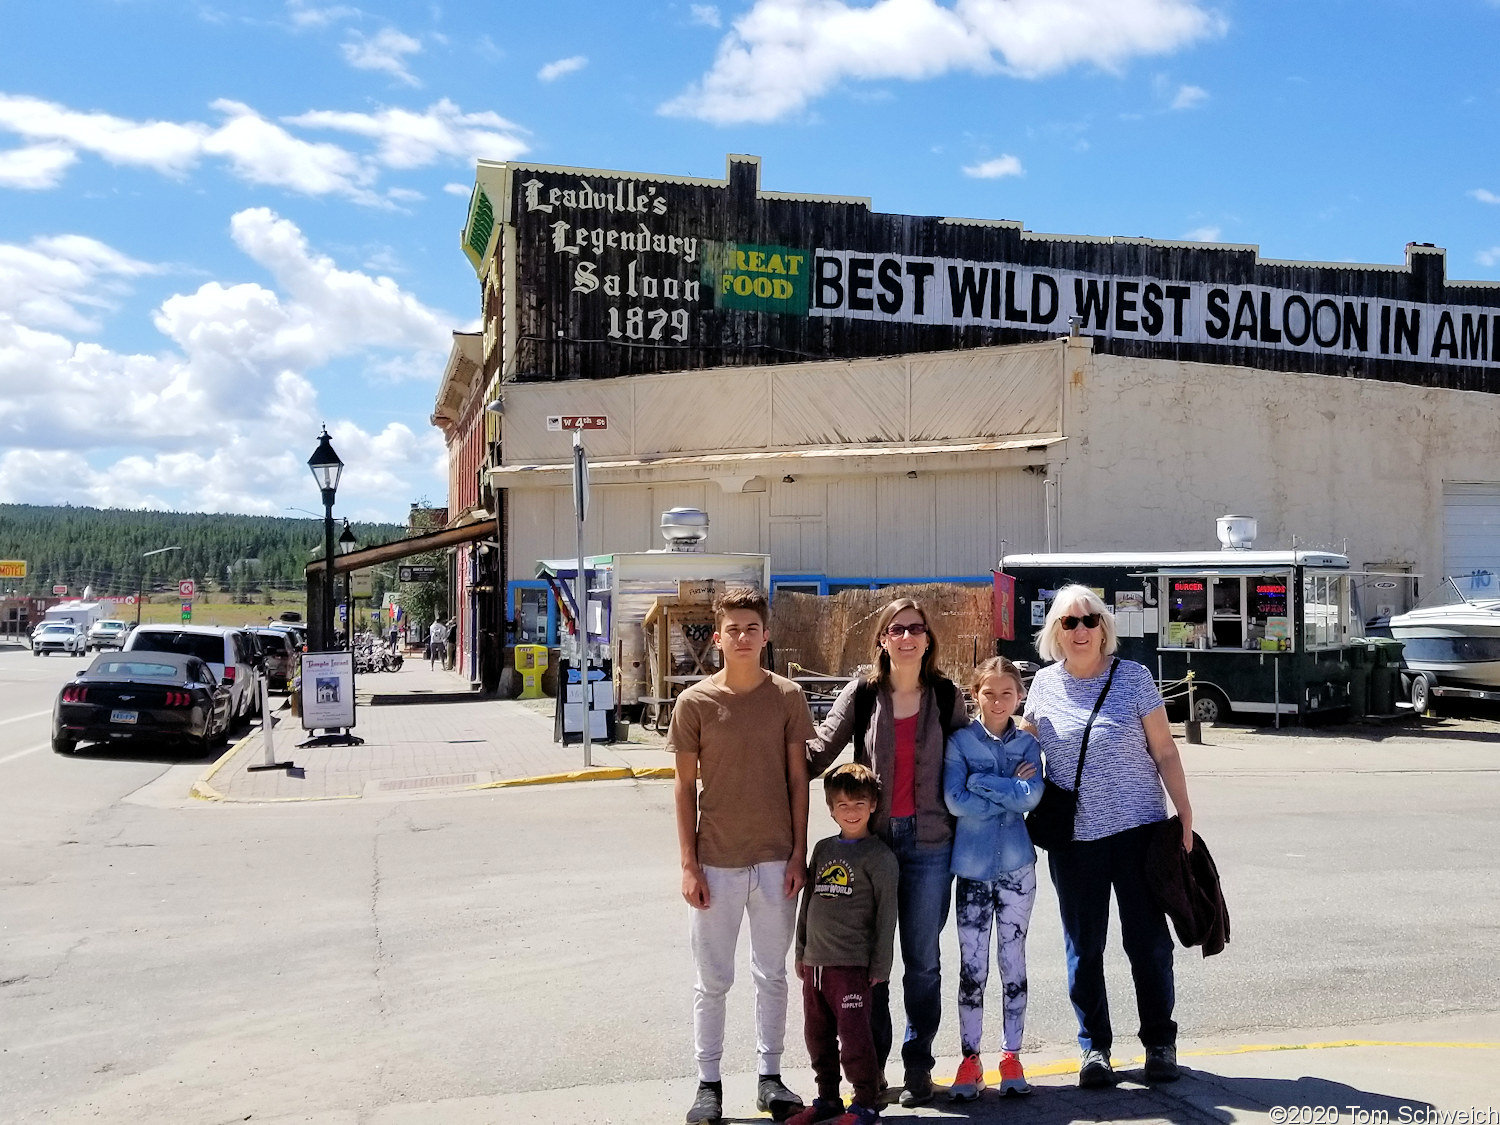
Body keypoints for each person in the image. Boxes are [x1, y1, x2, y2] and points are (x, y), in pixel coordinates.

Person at [1020, 584, 1196, 1088]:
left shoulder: (1134, 679)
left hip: (1140, 832)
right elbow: (1026, 759)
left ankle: (1160, 1042)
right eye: (1068, 623)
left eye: (1089, 620)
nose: (1080, 631)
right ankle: (1094, 1047)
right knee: (1084, 946)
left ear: (1104, 627)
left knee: (1148, 944)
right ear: (1055, 632)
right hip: (1075, 841)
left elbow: (1164, 751)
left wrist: (1183, 813)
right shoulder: (1044, 687)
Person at [806, 598, 968, 1107]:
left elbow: (972, 760)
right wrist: (765, 737)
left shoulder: (946, 695)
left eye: (915, 629)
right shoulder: (862, 693)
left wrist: (1019, 742)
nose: (906, 637)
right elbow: (820, 750)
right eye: (896, 629)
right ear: (882, 638)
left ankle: (918, 1064)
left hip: (929, 844)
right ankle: (870, 1072)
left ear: (927, 639)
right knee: (868, 963)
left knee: (922, 961)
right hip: (870, 846)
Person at [670, 588, 814, 1125]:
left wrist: (799, 852)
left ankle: (770, 1078)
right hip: (716, 863)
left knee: (772, 974)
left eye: (751, 628)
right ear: (718, 636)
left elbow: (799, 779)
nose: (743, 637)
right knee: (712, 980)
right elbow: (684, 788)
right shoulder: (695, 703)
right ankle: (708, 1084)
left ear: (766, 634)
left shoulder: (788, 698)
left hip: (776, 859)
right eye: (732, 629)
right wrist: (688, 864)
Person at [941, 657, 1043, 1100]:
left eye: (1007, 693)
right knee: (972, 968)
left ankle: (1011, 1054)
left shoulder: (1027, 745)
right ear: (974, 694)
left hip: (1019, 869)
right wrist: (1008, 791)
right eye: (989, 693)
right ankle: (970, 1059)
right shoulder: (960, 741)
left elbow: (1033, 796)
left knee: (1013, 962)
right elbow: (954, 800)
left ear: (1019, 695)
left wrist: (984, 782)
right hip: (973, 872)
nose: (998, 701)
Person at [790, 763, 898, 1125]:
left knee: (854, 1040)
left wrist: (880, 966)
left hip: (852, 968)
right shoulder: (822, 849)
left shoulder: (879, 857)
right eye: (842, 805)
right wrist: (801, 951)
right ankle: (827, 1099)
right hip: (816, 967)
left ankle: (866, 1102)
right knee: (817, 1038)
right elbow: (809, 905)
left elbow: (886, 916)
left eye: (859, 803)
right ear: (831, 808)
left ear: (873, 806)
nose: (850, 812)